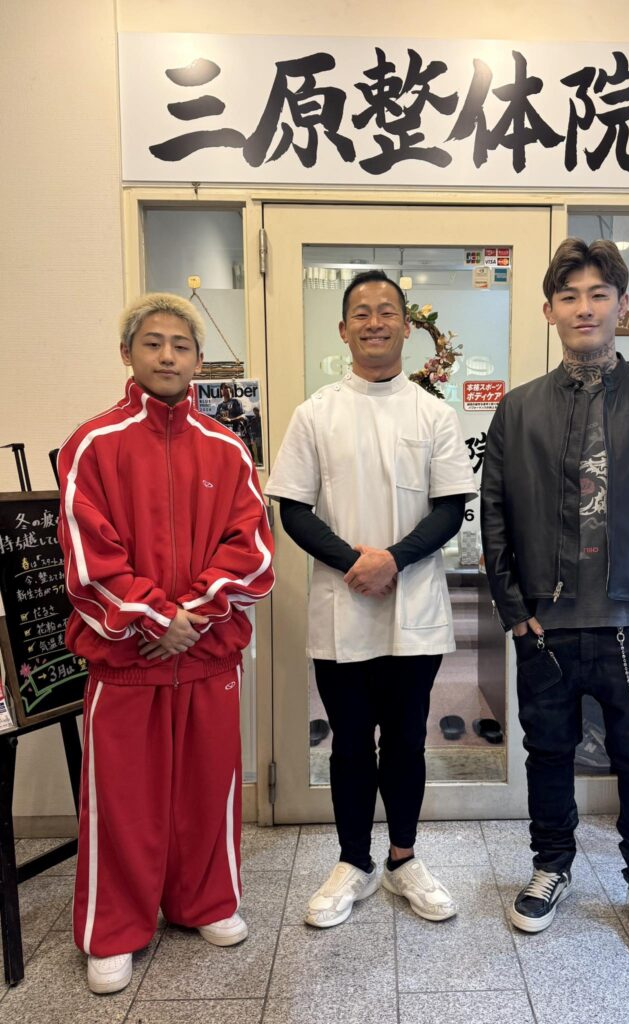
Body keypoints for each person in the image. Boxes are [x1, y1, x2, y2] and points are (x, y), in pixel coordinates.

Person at [481, 239, 629, 962]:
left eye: (598, 294)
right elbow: (493, 511)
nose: (584, 307)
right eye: (569, 295)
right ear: (548, 310)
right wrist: (513, 607)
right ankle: (551, 866)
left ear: (622, 305)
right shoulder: (517, 409)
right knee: (546, 753)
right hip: (545, 626)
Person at [57, 293, 274, 994]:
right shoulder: (93, 444)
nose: (168, 356)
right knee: (122, 803)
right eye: (152, 343)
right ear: (127, 353)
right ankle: (113, 930)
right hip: (127, 661)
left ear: (199, 360)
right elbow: (87, 558)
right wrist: (156, 618)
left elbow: (252, 550)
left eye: (181, 345)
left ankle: (204, 901)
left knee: (208, 791)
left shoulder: (228, 447)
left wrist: (193, 616)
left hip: (208, 657)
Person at [266, 270, 475, 928]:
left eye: (387, 311)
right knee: (350, 743)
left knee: (407, 741)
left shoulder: (433, 414)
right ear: (343, 329)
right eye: (361, 312)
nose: (375, 321)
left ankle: (403, 860)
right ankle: (352, 862)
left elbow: (450, 508)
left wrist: (393, 559)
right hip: (342, 609)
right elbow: (293, 509)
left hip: (414, 613)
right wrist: (354, 562)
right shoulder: (315, 413)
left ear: (407, 327)